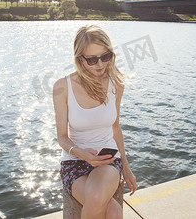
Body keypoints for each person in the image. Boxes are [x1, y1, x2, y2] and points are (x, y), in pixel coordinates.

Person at [53, 24, 137, 218]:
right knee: (114, 214)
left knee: (98, 197)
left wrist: (127, 168)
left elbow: (115, 128)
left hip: (107, 160)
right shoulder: (62, 87)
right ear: (79, 59)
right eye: (92, 59)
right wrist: (81, 153)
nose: (100, 64)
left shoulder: (115, 83)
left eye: (105, 56)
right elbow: (62, 137)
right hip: (74, 161)